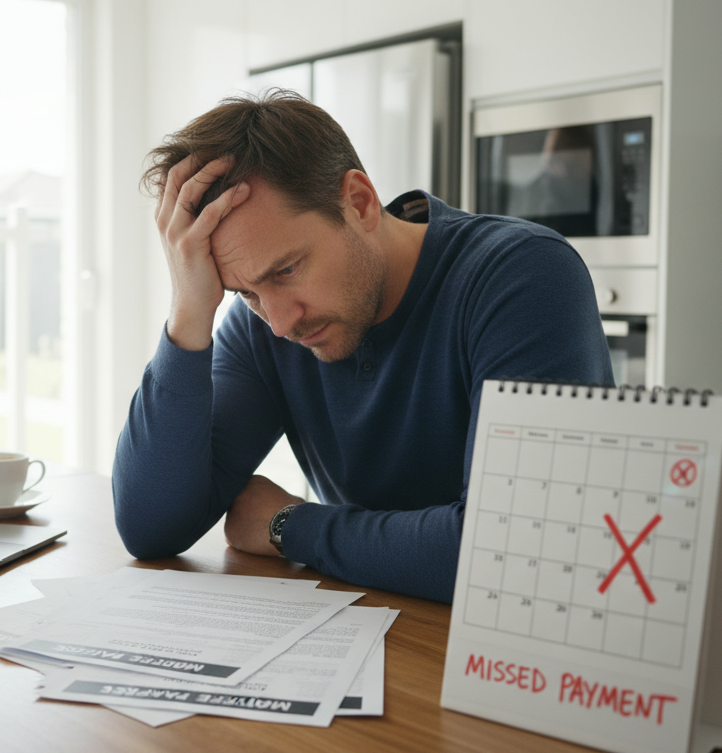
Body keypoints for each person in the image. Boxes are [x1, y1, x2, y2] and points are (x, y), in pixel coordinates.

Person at [113, 90, 613, 602]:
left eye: (286, 270)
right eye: (246, 292)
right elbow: (150, 528)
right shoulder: (263, 326)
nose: (280, 323)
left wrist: (291, 525)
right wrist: (190, 311)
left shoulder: (522, 276)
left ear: (359, 203)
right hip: (386, 641)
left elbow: (516, 552)